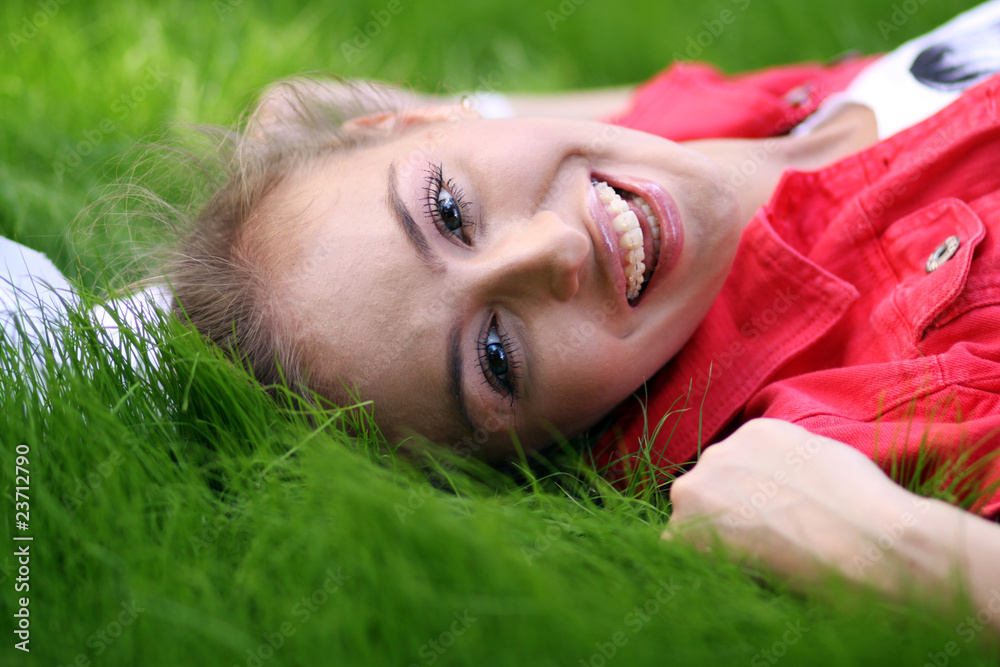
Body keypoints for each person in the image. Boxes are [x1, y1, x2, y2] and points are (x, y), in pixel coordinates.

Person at [4, 0, 1000, 634]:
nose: (554, 250)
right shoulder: (897, 391)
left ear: (416, 121)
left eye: (447, 210)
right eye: (494, 354)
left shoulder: (691, 139)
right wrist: (908, 554)